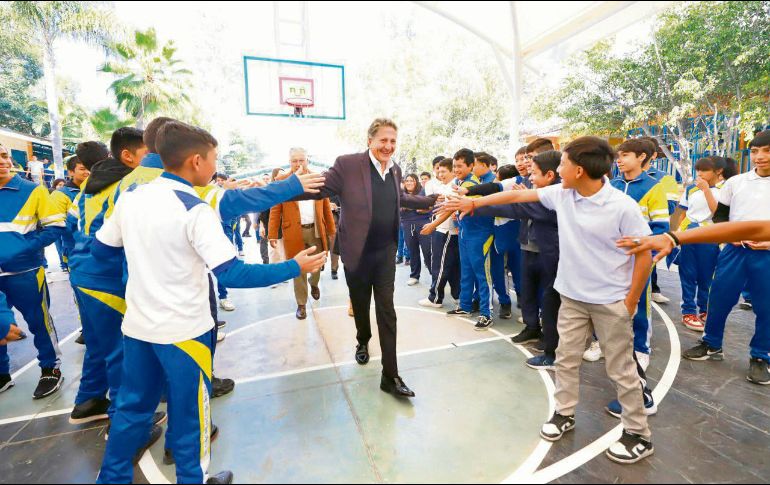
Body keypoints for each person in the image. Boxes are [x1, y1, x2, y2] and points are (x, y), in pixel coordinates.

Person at [93, 120, 328, 485]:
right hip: (185, 333)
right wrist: (293, 266)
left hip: (138, 328)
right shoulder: (195, 208)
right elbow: (233, 274)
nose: (216, 168)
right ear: (196, 161)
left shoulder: (132, 197)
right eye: (215, 159)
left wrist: (145, 274)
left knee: (131, 410)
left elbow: (102, 250)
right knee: (191, 416)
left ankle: (111, 479)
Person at [443, 136, 656, 465]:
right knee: (566, 360)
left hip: (609, 302)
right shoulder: (563, 194)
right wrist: (473, 203)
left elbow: (645, 254)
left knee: (621, 369)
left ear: (579, 170)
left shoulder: (622, 207)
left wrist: (630, 302)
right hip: (572, 297)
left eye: (563, 164)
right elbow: (516, 195)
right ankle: (564, 413)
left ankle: (638, 433)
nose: (557, 170)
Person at [295, 118, 437, 398]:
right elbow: (317, 189)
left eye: (393, 141)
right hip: (356, 253)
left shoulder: (394, 169)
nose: (388, 146)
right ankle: (362, 340)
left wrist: (432, 201)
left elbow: (398, 198)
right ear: (370, 140)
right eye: (383, 140)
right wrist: (284, 187)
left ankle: (390, 375)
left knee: (387, 310)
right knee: (360, 305)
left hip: (385, 252)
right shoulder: (347, 165)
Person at [679, 130, 770, 385]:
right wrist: (730, 236)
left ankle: (761, 356)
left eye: (767, 151)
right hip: (734, 251)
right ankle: (711, 343)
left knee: (766, 307)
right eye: (755, 151)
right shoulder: (737, 182)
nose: (760, 157)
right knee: (718, 299)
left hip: (766, 254)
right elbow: (720, 216)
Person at [0, 144, 65, 399]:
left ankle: (50, 368)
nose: (3, 161)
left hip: (26, 272)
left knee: (39, 322)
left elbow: (56, 227)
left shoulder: (33, 190)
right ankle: (2, 374)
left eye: (4, 156)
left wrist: (22, 249)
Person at [669, 156, 737, 331]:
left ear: (718, 171)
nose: (699, 173)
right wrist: (676, 234)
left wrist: (706, 190)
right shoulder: (691, 189)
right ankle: (688, 311)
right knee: (688, 274)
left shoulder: (726, 189)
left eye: (704, 170)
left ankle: (705, 309)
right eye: (698, 170)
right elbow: (682, 213)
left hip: (711, 236)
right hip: (689, 235)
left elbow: (718, 214)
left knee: (707, 276)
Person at [269, 147, 336, 320]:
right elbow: (275, 209)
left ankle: (314, 283)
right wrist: (272, 233)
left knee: (317, 265)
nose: (298, 164)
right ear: (289, 162)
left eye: (301, 160)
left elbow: (326, 206)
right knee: (298, 269)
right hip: (293, 233)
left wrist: (331, 230)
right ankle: (301, 304)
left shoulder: (317, 178)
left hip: (316, 231)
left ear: (307, 160)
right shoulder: (282, 181)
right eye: (294, 161)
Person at [436, 149, 495, 330]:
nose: (456, 169)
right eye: (454, 166)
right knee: (466, 272)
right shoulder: (458, 182)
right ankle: (465, 306)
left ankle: (486, 313)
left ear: (471, 166)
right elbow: (454, 206)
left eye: (460, 166)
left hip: (480, 235)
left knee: (482, 275)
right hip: (464, 233)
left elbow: (456, 206)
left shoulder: (472, 184)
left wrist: (433, 223)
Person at [474, 152, 513, 319]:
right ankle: (479, 299)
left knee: (497, 270)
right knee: (481, 270)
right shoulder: (478, 181)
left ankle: (505, 301)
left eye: (474, 164)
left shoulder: (496, 182)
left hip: (497, 232)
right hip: (482, 233)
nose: (472, 167)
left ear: (485, 165)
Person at [640, 136, 679, 304]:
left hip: (650, 229)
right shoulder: (620, 181)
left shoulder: (665, 179)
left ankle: (653, 290)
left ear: (653, 155)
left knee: (649, 261)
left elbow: (670, 207)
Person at [419, 158, 461, 308]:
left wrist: (433, 225)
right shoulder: (443, 187)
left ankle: (435, 298)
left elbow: (449, 211)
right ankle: (457, 295)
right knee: (452, 266)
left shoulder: (453, 188)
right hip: (444, 230)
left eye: (444, 171)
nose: (440, 174)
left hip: (446, 231)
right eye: (439, 171)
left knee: (440, 266)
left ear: (452, 171)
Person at [49, 156, 90, 273]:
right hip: (74, 248)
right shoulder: (60, 194)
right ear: (71, 172)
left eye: (89, 168)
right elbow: (59, 226)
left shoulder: (95, 190)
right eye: (82, 169)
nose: (87, 172)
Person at [400, 173, 432, 286]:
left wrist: (425, 210)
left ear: (416, 182)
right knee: (412, 251)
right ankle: (414, 275)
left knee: (428, 251)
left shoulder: (423, 192)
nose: (409, 183)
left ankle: (435, 275)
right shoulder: (401, 194)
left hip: (423, 224)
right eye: (407, 181)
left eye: (412, 180)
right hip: (407, 225)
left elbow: (431, 207)